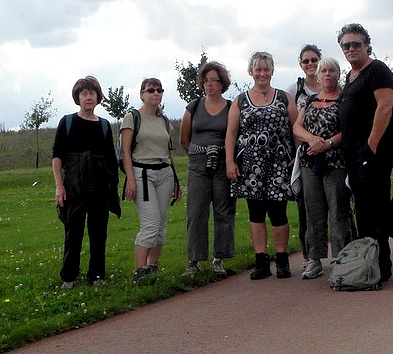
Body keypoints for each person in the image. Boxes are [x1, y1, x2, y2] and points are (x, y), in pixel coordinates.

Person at [226, 51, 298, 280]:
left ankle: (282, 260)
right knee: (255, 213)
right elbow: (231, 132)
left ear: (272, 71)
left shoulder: (284, 97)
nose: (262, 73)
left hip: (279, 163)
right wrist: (229, 161)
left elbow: (296, 128)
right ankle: (261, 261)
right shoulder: (240, 100)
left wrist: (297, 155)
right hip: (250, 166)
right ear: (251, 72)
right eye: (258, 69)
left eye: (266, 69)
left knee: (279, 212)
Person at [337, 23, 393, 282]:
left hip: (373, 151)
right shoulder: (350, 76)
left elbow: (384, 107)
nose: (351, 49)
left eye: (356, 44)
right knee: (362, 210)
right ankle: (367, 263)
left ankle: (383, 266)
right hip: (353, 153)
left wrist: (370, 146)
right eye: (346, 45)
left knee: (377, 208)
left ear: (367, 45)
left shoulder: (378, 71)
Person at [52, 76, 121, 289]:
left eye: (92, 93)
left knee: (99, 231)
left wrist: (112, 187)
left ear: (98, 97)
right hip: (74, 184)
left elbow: (110, 158)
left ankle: (97, 275)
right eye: (84, 93)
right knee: (73, 231)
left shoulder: (104, 126)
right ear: (78, 98)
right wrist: (59, 186)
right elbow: (57, 156)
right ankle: (69, 278)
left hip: (99, 185)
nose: (88, 97)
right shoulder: (67, 122)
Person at [292, 57, 352, 279]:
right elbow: (297, 127)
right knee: (313, 212)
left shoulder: (345, 100)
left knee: (338, 210)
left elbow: (349, 129)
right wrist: (313, 140)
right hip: (310, 164)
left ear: (338, 74)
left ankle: (341, 257)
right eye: (323, 70)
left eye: (332, 70)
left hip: (335, 163)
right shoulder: (309, 101)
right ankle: (314, 259)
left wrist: (327, 143)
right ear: (318, 75)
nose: (327, 74)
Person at [120, 78, 182, 283]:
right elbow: (125, 152)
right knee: (151, 222)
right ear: (142, 94)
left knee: (161, 223)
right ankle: (139, 271)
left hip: (164, 172)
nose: (155, 93)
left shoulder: (164, 121)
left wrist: (175, 180)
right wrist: (130, 179)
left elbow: (167, 152)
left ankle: (152, 266)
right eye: (151, 90)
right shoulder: (132, 118)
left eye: (159, 90)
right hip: (142, 173)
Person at [180, 62, 236, 279]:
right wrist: (198, 155)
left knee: (224, 211)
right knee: (196, 213)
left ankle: (219, 259)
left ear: (222, 83)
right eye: (205, 80)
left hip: (224, 163)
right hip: (198, 164)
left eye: (213, 80)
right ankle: (194, 261)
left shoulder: (232, 107)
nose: (209, 84)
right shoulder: (193, 107)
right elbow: (184, 139)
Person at [286, 44, 322, 271]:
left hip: (332, 152)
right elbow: (290, 123)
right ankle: (309, 256)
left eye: (314, 60)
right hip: (304, 156)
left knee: (339, 206)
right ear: (301, 65)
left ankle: (346, 253)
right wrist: (296, 152)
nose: (310, 64)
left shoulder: (331, 84)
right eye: (306, 61)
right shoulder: (294, 90)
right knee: (306, 208)